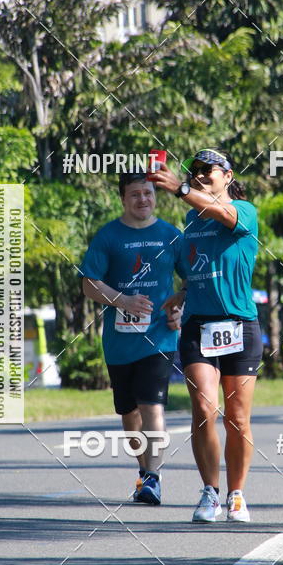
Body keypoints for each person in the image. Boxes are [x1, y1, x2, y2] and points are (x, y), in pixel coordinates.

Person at [150, 148, 262, 523]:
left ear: (227, 176)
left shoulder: (244, 210)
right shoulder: (190, 219)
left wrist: (180, 188)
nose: (199, 175)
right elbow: (203, 265)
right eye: (193, 170)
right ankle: (210, 493)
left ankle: (237, 495)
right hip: (199, 326)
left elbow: (223, 215)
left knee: (237, 417)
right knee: (203, 409)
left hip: (240, 324)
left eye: (207, 170)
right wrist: (182, 293)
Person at [80, 173, 188, 505]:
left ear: (155, 196)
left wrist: (178, 308)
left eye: (148, 193)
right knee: (130, 415)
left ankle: (153, 477)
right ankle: (144, 472)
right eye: (135, 194)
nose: (143, 199)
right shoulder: (109, 236)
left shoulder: (171, 235)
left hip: (159, 337)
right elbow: (89, 283)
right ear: (123, 199)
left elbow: (191, 281)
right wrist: (122, 300)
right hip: (119, 343)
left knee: (152, 406)